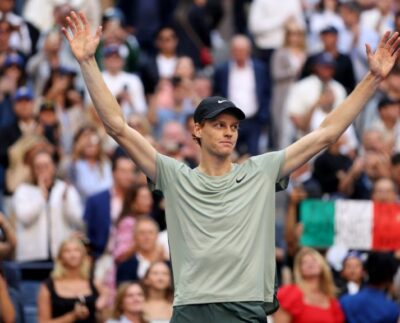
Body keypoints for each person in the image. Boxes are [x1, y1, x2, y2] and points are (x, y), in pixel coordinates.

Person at [62, 11, 400, 323]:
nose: (228, 132)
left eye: (234, 126)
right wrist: (89, 62)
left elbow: (325, 134)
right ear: (197, 129)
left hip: (246, 307)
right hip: (191, 308)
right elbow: (118, 127)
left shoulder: (261, 170)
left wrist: (372, 78)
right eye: (219, 124)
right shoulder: (174, 175)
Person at [37, 236, 107, 322]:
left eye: (76, 250)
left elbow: (107, 318)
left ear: (83, 255)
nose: (72, 255)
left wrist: (104, 304)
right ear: (60, 257)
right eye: (67, 251)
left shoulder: (96, 283)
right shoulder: (48, 286)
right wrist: (72, 316)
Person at [274, 247, 344, 323]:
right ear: (299, 269)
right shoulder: (289, 293)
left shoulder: (331, 300)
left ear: (322, 265)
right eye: (304, 262)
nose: (310, 263)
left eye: (314, 260)